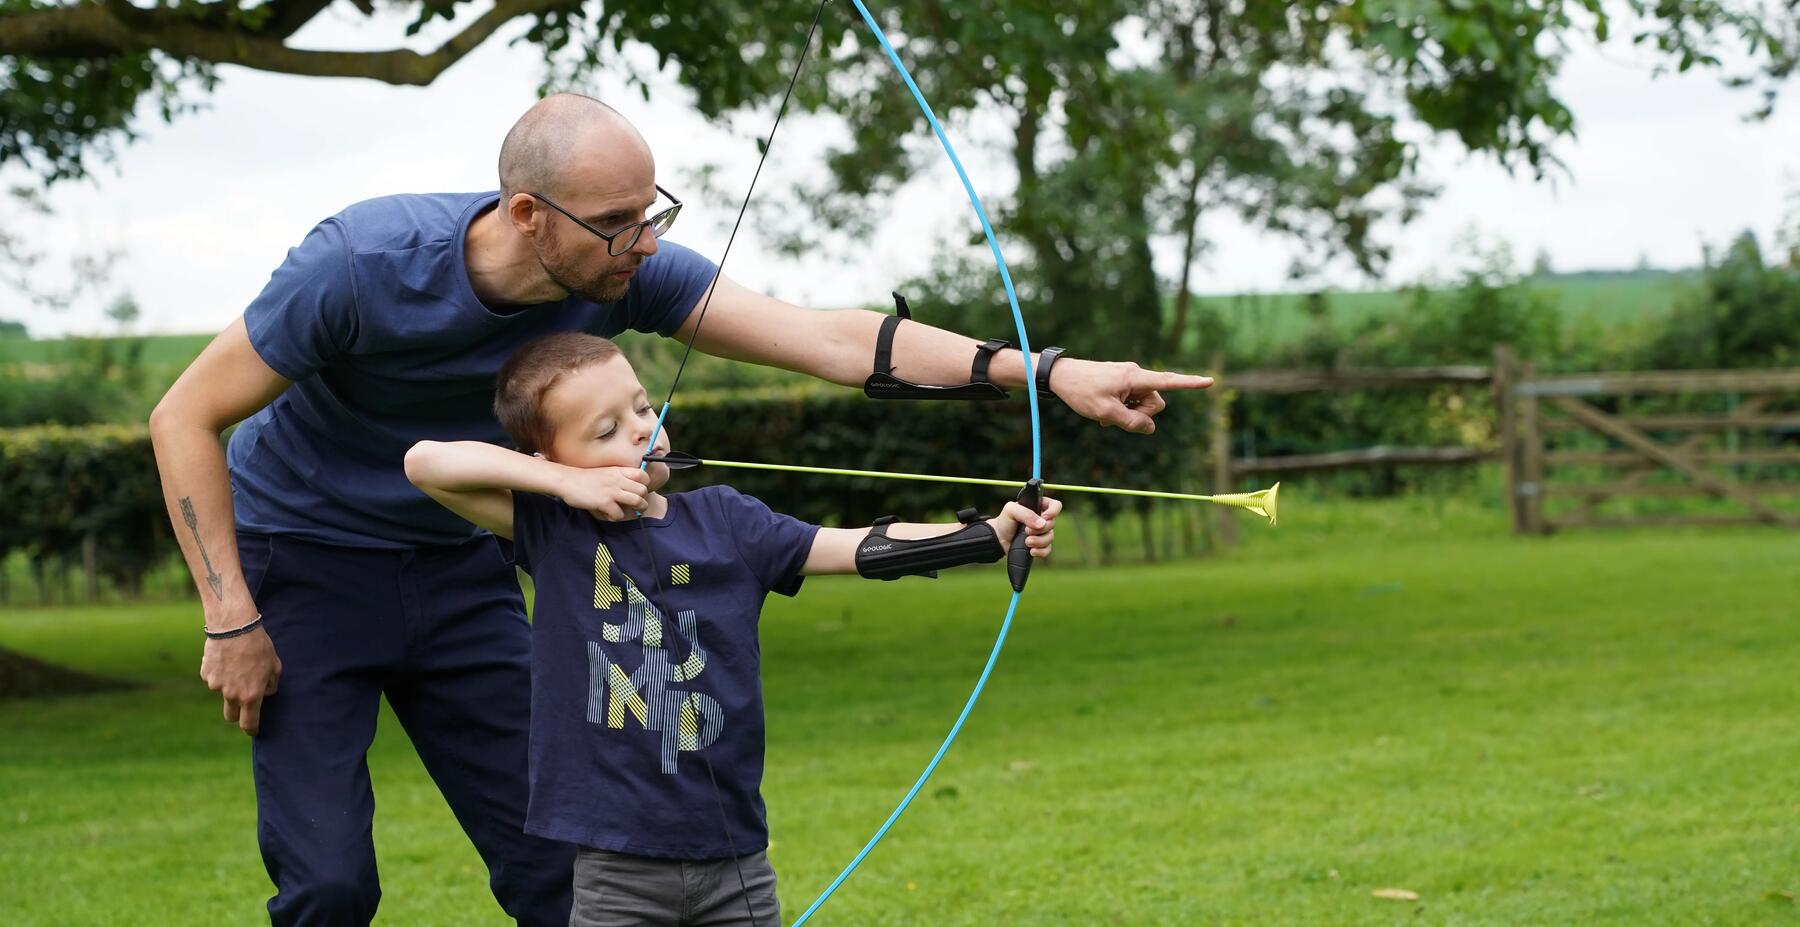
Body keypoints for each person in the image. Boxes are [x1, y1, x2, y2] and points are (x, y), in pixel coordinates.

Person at [147, 91, 1207, 925]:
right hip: (306, 563)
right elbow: (183, 418)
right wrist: (230, 612)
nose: (643, 240)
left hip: (469, 571)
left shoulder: (620, 271)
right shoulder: (360, 265)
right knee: (330, 887)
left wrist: (1046, 372)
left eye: (653, 211)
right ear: (528, 216)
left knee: (566, 878)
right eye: (617, 222)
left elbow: (836, 341)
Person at [402, 332, 1061, 927]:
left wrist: (987, 534)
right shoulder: (552, 527)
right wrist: (563, 485)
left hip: (735, 859)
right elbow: (425, 462)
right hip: (614, 864)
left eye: (640, 406)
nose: (640, 430)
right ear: (550, 455)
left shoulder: (728, 521)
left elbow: (855, 546)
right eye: (605, 430)